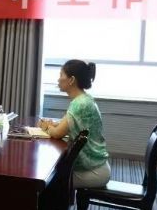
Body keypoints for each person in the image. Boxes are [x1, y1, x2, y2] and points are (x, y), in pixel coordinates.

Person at [38, 60, 110, 189]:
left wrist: (46, 127)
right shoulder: (84, 99)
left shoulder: (79, 104)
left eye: (61, 75)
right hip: (97, 166)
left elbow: (57, 134)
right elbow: (65, 124)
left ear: (71, 80)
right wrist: (53, 125)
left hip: (93, 171)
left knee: (47, 183)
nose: (58, 79)